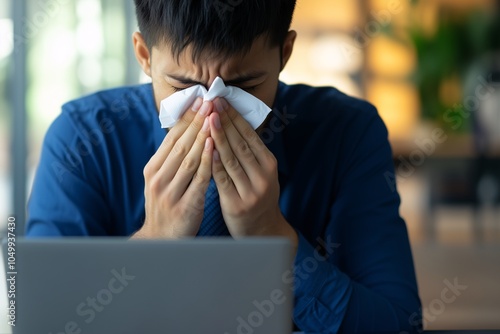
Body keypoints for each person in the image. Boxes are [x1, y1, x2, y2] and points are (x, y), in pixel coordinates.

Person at [26, 0, 422, 332]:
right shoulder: (84, 141)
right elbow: (41, 320)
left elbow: (397, 322)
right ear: (144, 55)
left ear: (284, 53)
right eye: (183, 88)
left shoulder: (346, 134)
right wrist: (154, 244)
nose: (212, 113)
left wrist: (272, 236)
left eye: (245, 88)